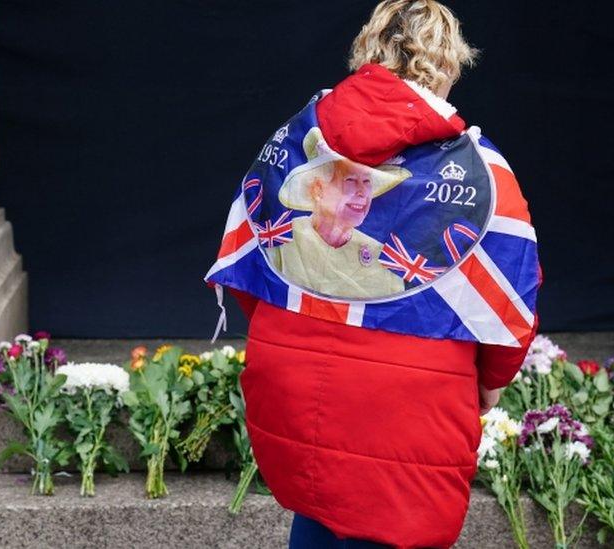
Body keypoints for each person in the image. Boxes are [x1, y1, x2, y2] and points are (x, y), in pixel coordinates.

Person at [225, 1, 540, 547]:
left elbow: (258, 274)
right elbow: (510, 301)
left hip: (291, 377)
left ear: (367, 49)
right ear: (449, 64)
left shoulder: (292, 141)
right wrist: (490, 384)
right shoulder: (482, 172)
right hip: (409, 404)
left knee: (317, 511)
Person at [266, 127, 409, 298]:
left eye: (367, 181)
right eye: (350, 180)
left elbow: (391, 318)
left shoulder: (382, 257)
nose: (363, 192)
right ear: (317, 189)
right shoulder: (283, 239)